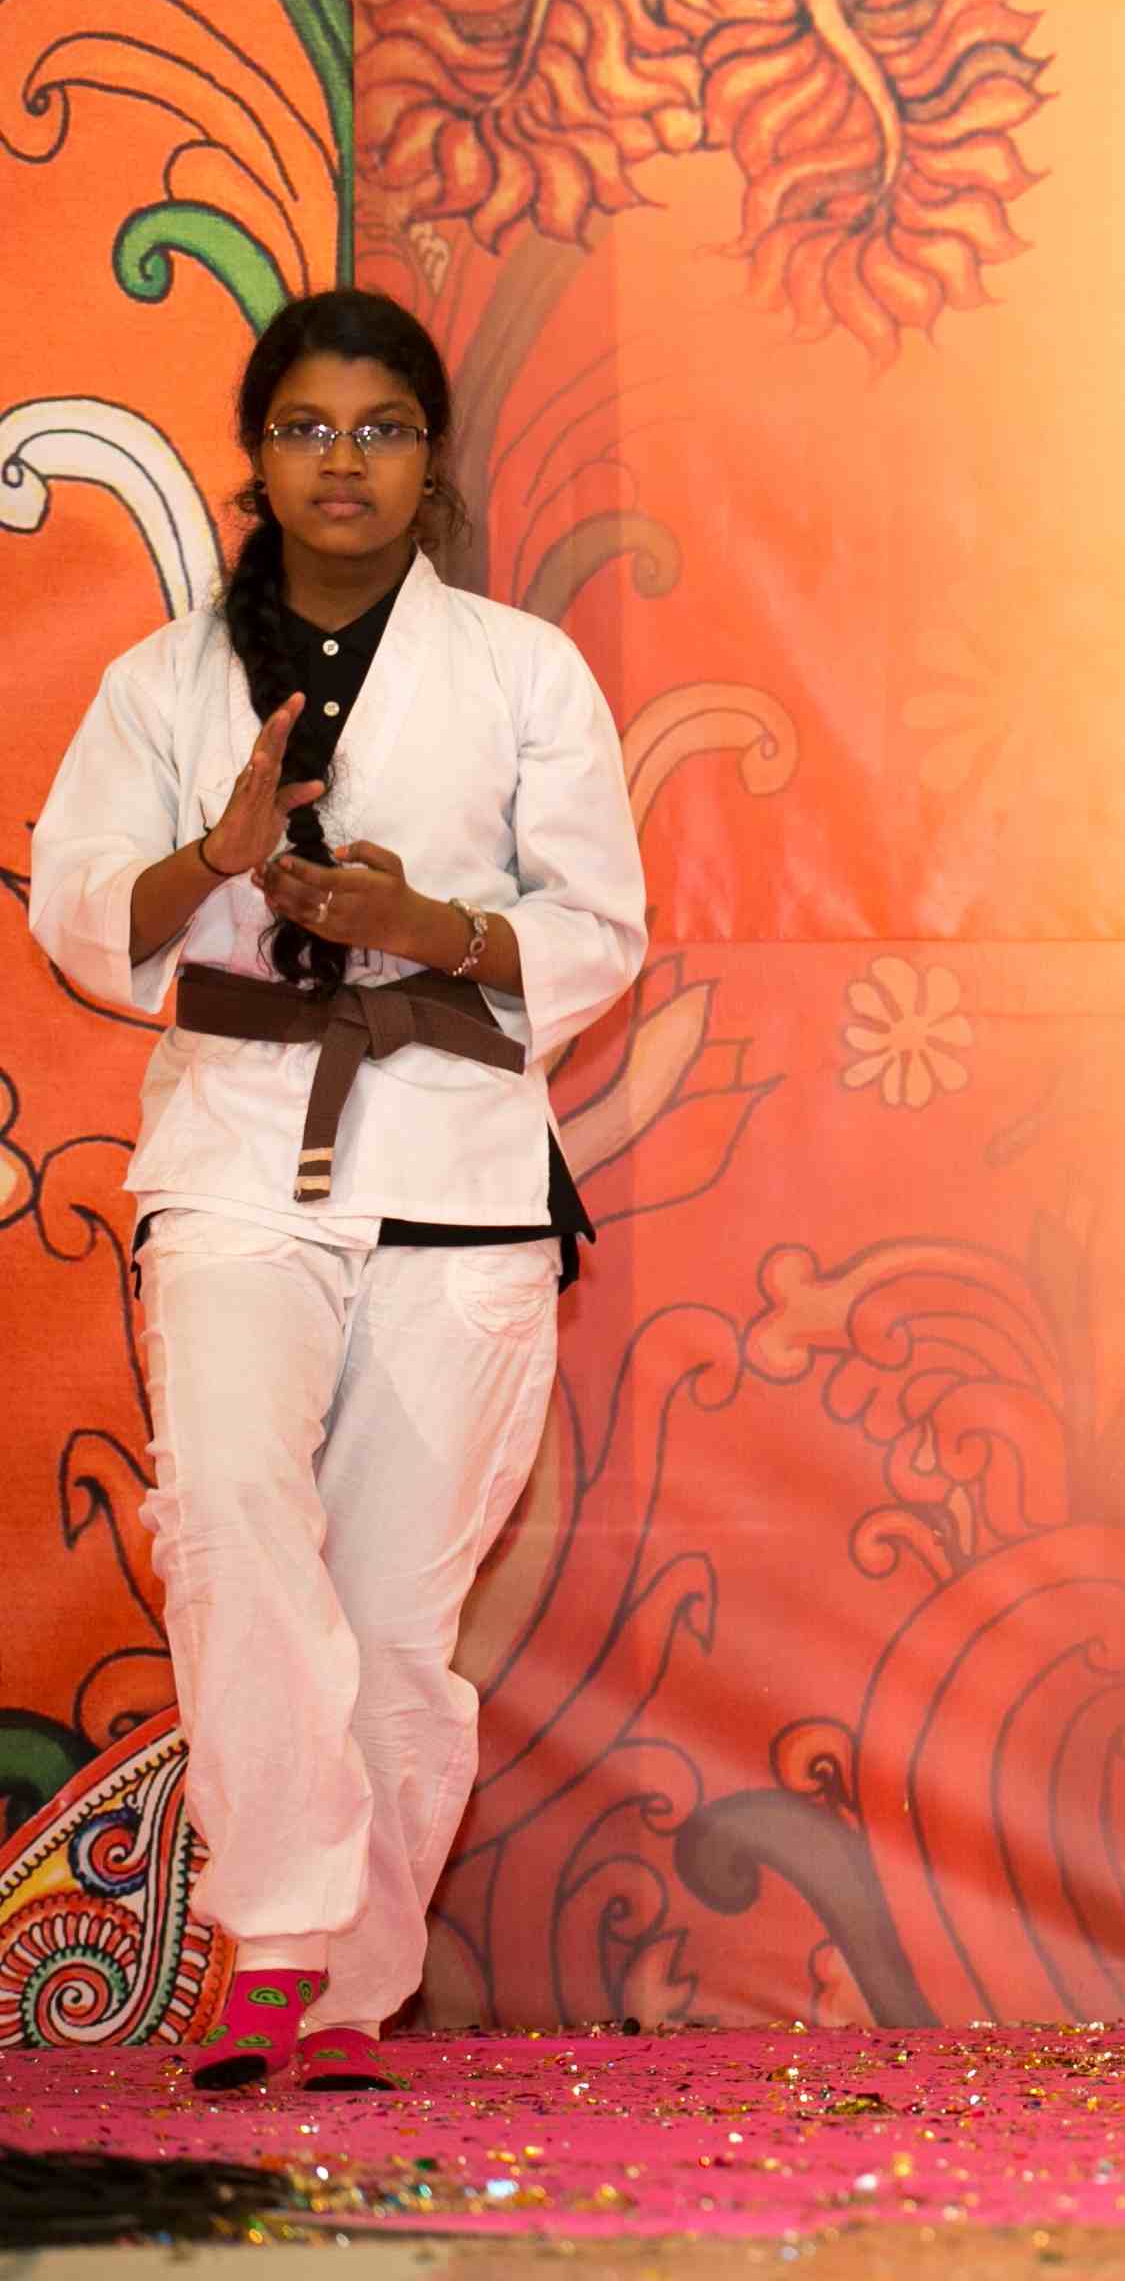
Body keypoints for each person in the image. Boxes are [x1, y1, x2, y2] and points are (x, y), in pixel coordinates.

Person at [30, 288, 648, 2095]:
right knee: (230, 1510)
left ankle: (348, 1990)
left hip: (455, 1156)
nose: (343, 462)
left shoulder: (524, 670)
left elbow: (602, 925)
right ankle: (278, 1936)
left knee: (389, 1610)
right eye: (306, 428)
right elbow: (84, 921)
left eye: (381, 429)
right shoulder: (162, 682)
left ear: (429, 460)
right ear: (256, 453)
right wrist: (215, 856)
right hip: (237, 1149)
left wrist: (426, 924)